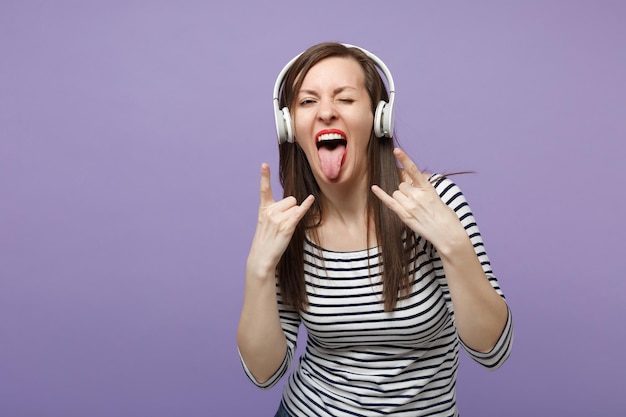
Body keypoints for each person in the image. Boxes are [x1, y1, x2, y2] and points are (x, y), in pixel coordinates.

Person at [237, 42, 513, 417]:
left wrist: (454, 245)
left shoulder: (435, 201)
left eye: (345, 99)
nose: (326, 113)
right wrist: (258, 270)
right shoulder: (288, 225)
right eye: (307, 102)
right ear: (288, 126)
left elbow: (492, 351)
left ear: (378, 117)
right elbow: (263, 374)